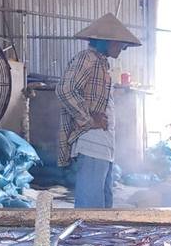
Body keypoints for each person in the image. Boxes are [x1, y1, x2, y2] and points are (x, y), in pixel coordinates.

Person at [56, 13, 141, 208]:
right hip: (92, 143)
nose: (123, 48)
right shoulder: (88, 59)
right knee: (90, 208)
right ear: (109, 41)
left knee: (102, 205)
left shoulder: (101, 63)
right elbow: (64, 90)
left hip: (103, 145)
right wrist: (88, 119)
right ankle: (86, 230)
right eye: (121, 44)